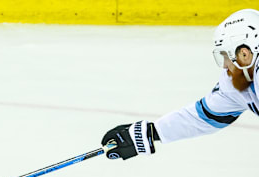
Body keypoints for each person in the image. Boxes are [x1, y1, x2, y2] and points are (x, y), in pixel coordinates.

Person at [101, 9, 259, 159]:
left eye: (226, 56)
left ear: (244, 54)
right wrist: (150, 133)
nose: (225, 65)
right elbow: (204, 117)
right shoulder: (238, 82)